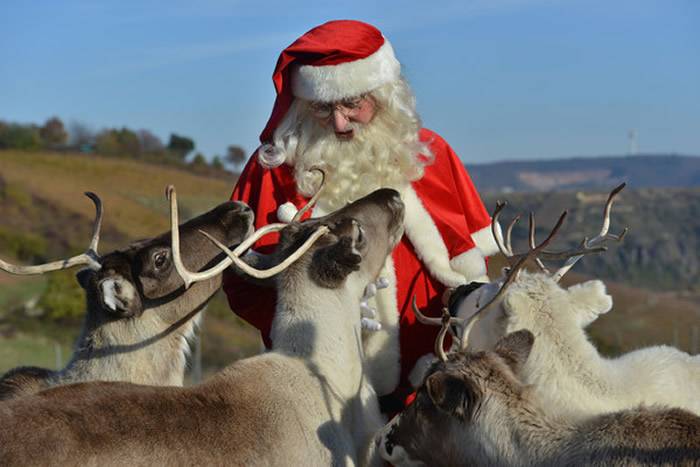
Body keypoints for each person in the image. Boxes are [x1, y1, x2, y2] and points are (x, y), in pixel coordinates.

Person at [222, 19, 499, 413]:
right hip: (322, 387)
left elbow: (474, 269)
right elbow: (244, 281)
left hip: (434, 384)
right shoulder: (273, 170)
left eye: (352, 103)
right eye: (321, 107)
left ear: (384, 94)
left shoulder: (432, 157)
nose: (339, 123)